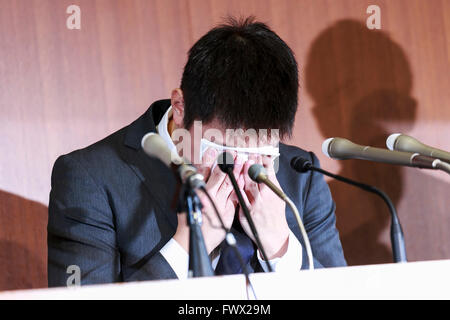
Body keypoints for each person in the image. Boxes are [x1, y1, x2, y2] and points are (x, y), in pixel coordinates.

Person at [48, 17, 346, 287]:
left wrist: (280, 246)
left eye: (262, 154)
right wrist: (188, 245)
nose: (240, 167)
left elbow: (344, 293)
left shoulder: (301, 175)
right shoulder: (90, 178)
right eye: (223, 150)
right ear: (180, 108)